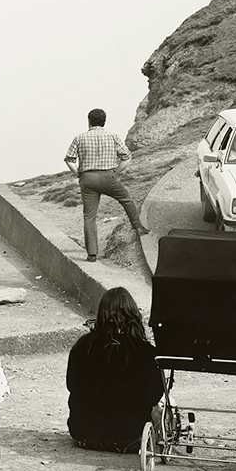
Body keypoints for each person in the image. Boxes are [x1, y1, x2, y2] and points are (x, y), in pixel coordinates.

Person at [66, 287, 164, 453]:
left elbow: (71, 384)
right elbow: (154, 395)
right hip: (129, 438)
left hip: (84, 435)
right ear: (133, 314)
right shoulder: (146, 352)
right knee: (160, 412)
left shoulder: (83, 345)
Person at [64, 108, 150, 263]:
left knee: (89, 216)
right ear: (104, 121)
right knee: (126, 200)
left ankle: (92, 254)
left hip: (87, 179)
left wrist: (78, 173)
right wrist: (116, 173)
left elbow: (69, 159)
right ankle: (138, 227)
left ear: (89, 121)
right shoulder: (112, 136)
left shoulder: (79, 138)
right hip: (108, 176)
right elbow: (126, 157)